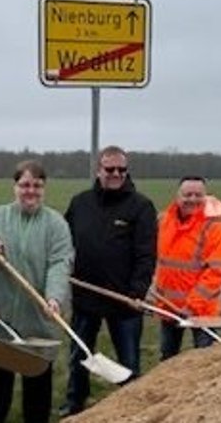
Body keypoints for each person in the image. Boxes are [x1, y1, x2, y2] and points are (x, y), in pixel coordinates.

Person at [0, 160, 73, 423]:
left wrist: (54, 297)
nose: (31, 191)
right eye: (25, 185)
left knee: (37, 387)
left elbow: (60, 263)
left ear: (44, 188)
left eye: (37, 185)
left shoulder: (56, 224)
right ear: (14, 187)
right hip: (0, 316)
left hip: (38, 318)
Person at [59, 145, 157, 417]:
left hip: (124, 300)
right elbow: (63, 242)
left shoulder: (141, 206)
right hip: (85, 297)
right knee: (80, 355)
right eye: (110, 169)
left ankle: (132, 408)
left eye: (121, 170)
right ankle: (75, 403)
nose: (116, 174)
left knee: (128, 361)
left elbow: (146, 254)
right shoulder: (80, 203)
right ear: (98, 169)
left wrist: (137, 291)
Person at [153, 176, 221, 360]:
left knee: (203, 363)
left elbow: (215, 274)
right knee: (167, 360)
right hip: (168, 309)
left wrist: (192, 305)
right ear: (177, 196)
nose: (192, 199)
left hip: (202, 311)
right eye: (187, 194)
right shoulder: (164, 222)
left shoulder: (216, 230)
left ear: (206, 197)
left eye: (198, 195)